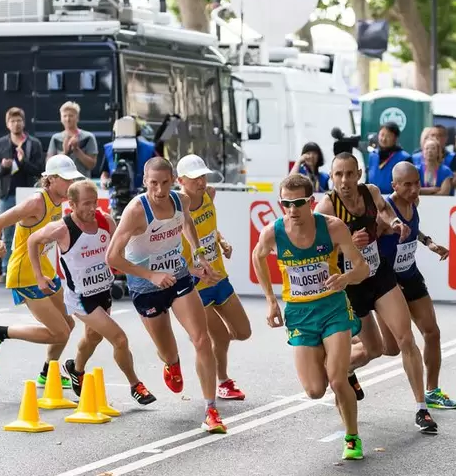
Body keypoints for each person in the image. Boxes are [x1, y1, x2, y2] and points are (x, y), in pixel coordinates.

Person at [316, 153, 438, 434]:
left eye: (349, 174)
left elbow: (384, 210)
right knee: (374, 349)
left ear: (358, 174)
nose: (344, 181)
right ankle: (343, 370)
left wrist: (394, 223)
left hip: (379, 275)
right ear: (331, 177)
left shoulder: (370, 192)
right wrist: (346, 242)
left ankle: (422, 409)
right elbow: (315, 249)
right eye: (338, 175)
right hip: (352, 285)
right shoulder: (327, 207)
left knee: (405, 338)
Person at [106, 156, 227, 433]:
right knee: (168, 351)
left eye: (164, 183)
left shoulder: (181, 200)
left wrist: (198, 255)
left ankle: (211, 410)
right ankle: (172, 363)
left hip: (179, 276)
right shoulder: (136, 211)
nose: (159, 190)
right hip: (146, 287)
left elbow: (187, 223)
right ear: (144, 182)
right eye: (153, 184)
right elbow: (112, 257)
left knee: (201, 339)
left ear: (173, 180)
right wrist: (151, 275)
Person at [252, 172, 368, 460]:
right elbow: (258, 256)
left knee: (337, 380)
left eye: (299, 203)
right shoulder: (273, 233)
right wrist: (271, 300)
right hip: (300, 314)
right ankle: (338, 361)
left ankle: (352, 437)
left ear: (311, 202)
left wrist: (346, 278)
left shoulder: (332, 227)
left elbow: (362, 268)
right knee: (315, 391)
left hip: (333, 309)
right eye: (286, 204)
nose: (292, 210)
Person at [27, 179, 156, 405]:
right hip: (80, 298)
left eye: (94, 202)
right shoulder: (62, 228)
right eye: (86, 203)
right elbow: (32, 241)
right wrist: (39, 276)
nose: (92, 208)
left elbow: (120, 249)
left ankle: (75, 370)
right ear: (72, 205)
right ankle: (136, 385)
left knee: (93, 337)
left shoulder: (105, 221)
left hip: (103, 291)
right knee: (119, 339)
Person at [0, 155, 83, 386]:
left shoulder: (59, 200)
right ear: (50, 179)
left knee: (68, 325)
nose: (71, 184)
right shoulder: (36, 202)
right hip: (25, 275)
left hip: (45, 270)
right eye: (66, 179)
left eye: (72, 179)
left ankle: (47, 373)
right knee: (60, 332)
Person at [377, 162, 456, 410]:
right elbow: (371, 246)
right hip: (389, 284)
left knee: (432, 332)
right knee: (389, 347)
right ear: (394, 185)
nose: (414, 189)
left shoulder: (413, 202)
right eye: (407, 185)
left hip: (410, 275)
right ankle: (350, 348)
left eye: (417, 183)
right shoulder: (384, 212)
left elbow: (413, 229)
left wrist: (428, 242)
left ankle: (432, 391)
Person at [177, 153, 252, 401]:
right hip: (196, 287)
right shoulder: (175, 210)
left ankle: (204, 342)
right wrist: (193, 269)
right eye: (194, 178)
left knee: (243, 332)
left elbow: (210, 229)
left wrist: (222, 241)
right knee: (219, 336)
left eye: (203, 176)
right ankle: (222, 381)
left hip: (219, 277)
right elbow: (168, 254)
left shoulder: (209, 194)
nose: (201, 181)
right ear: (180, 181)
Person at [0, 107, 44, 274]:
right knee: (6, 233)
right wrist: (3, 166)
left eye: (19, 120)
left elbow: (39, 170)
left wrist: (23, 162)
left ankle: (29, 269)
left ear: (24, 122)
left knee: (30, 233)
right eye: (12, 121)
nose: (16, 124)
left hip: (29, 195)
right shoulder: (0, 143)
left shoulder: (34, 143)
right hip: (7, 194)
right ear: (7, 124)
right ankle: (6, 269)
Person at [47, 101, 98, 179]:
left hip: (82, 182)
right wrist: (65, 152)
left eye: (71, 116)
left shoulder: (88, 137)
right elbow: (49, 166)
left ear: (77, 118)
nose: (68, 119)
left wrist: (76, 150)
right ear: (61, 118)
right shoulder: (55, 138)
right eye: (65, 116)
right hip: (61, 182)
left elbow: (91, 165)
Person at [367, 122, 411, 193]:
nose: (383, 139)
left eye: (388, 136)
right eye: (382, 135)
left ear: (395, 138)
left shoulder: (404, 158)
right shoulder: (373, 155)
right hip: (373, 197)